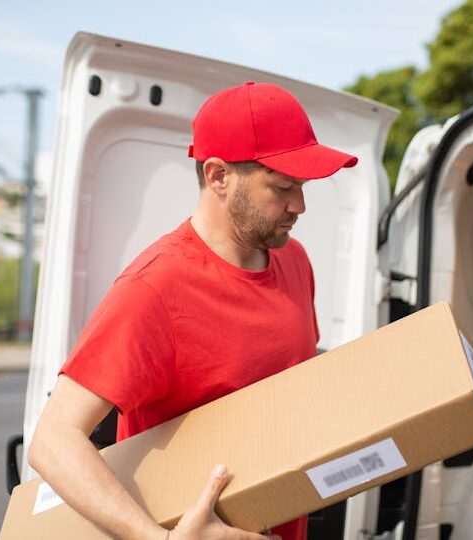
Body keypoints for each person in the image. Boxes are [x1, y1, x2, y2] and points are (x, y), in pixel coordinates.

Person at [27, 81, 358, 540]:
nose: (299, 205)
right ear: (219, 176)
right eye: (282, 187)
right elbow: (52, 440)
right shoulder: (156, 287)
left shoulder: (294, 260)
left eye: (301, 186)